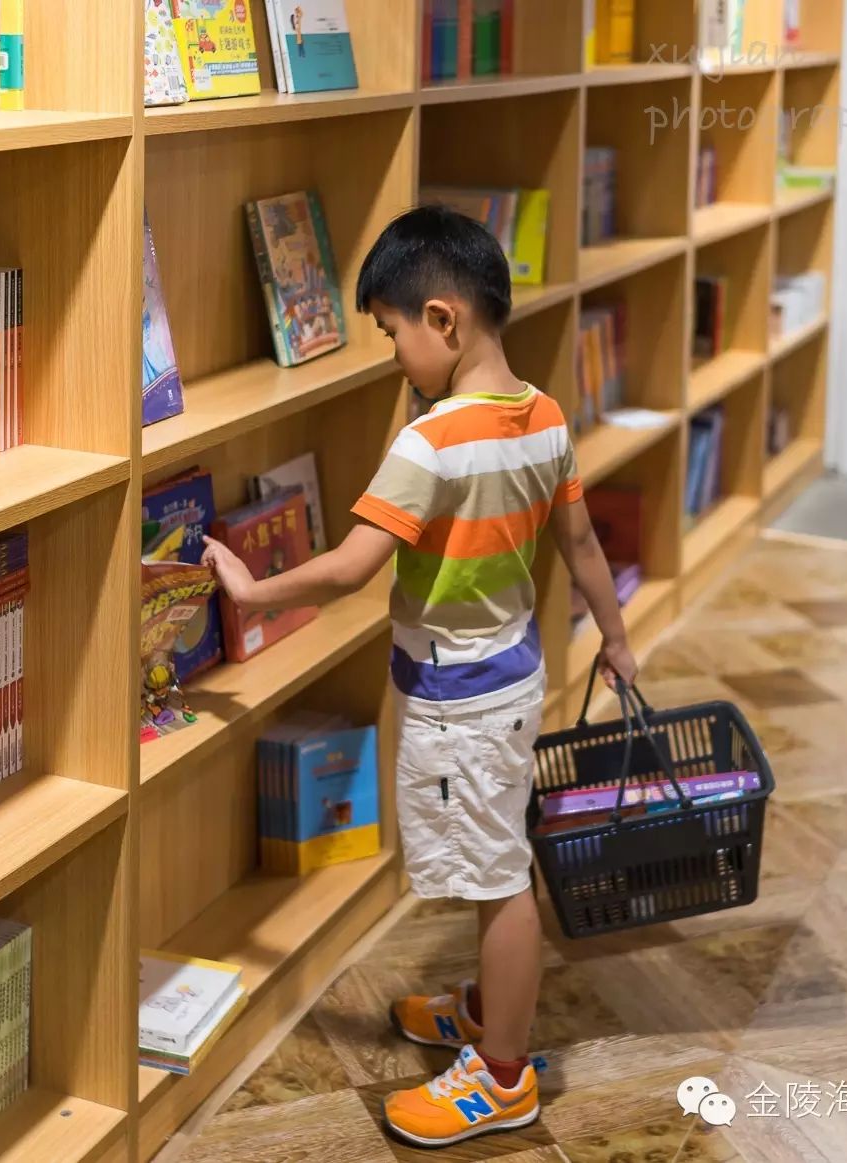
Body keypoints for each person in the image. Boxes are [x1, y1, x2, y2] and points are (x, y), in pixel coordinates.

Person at [202, 205, 638, 1149]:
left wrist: (252, 588)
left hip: (458, 702)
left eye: (392, 333)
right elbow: (580, 544)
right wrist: (616, 637)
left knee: (499, 874)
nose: (394, 355)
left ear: (443, 320)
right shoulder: (545, 418)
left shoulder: (431, 444)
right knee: (494, 849)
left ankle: (505, 1074)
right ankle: (489, 1009)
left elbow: (353, 566)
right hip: (511, 679)